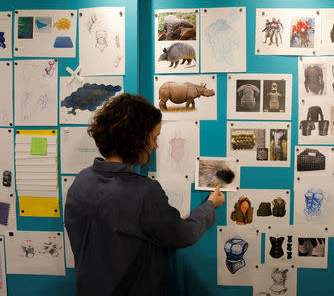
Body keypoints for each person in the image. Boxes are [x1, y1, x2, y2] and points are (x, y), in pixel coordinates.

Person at [64, 93, 225, 295]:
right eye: (154, 137)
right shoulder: (143, 192)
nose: (155, 146)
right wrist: (210, 206)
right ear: (136, 138)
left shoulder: (81, 181)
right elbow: (183, 234)